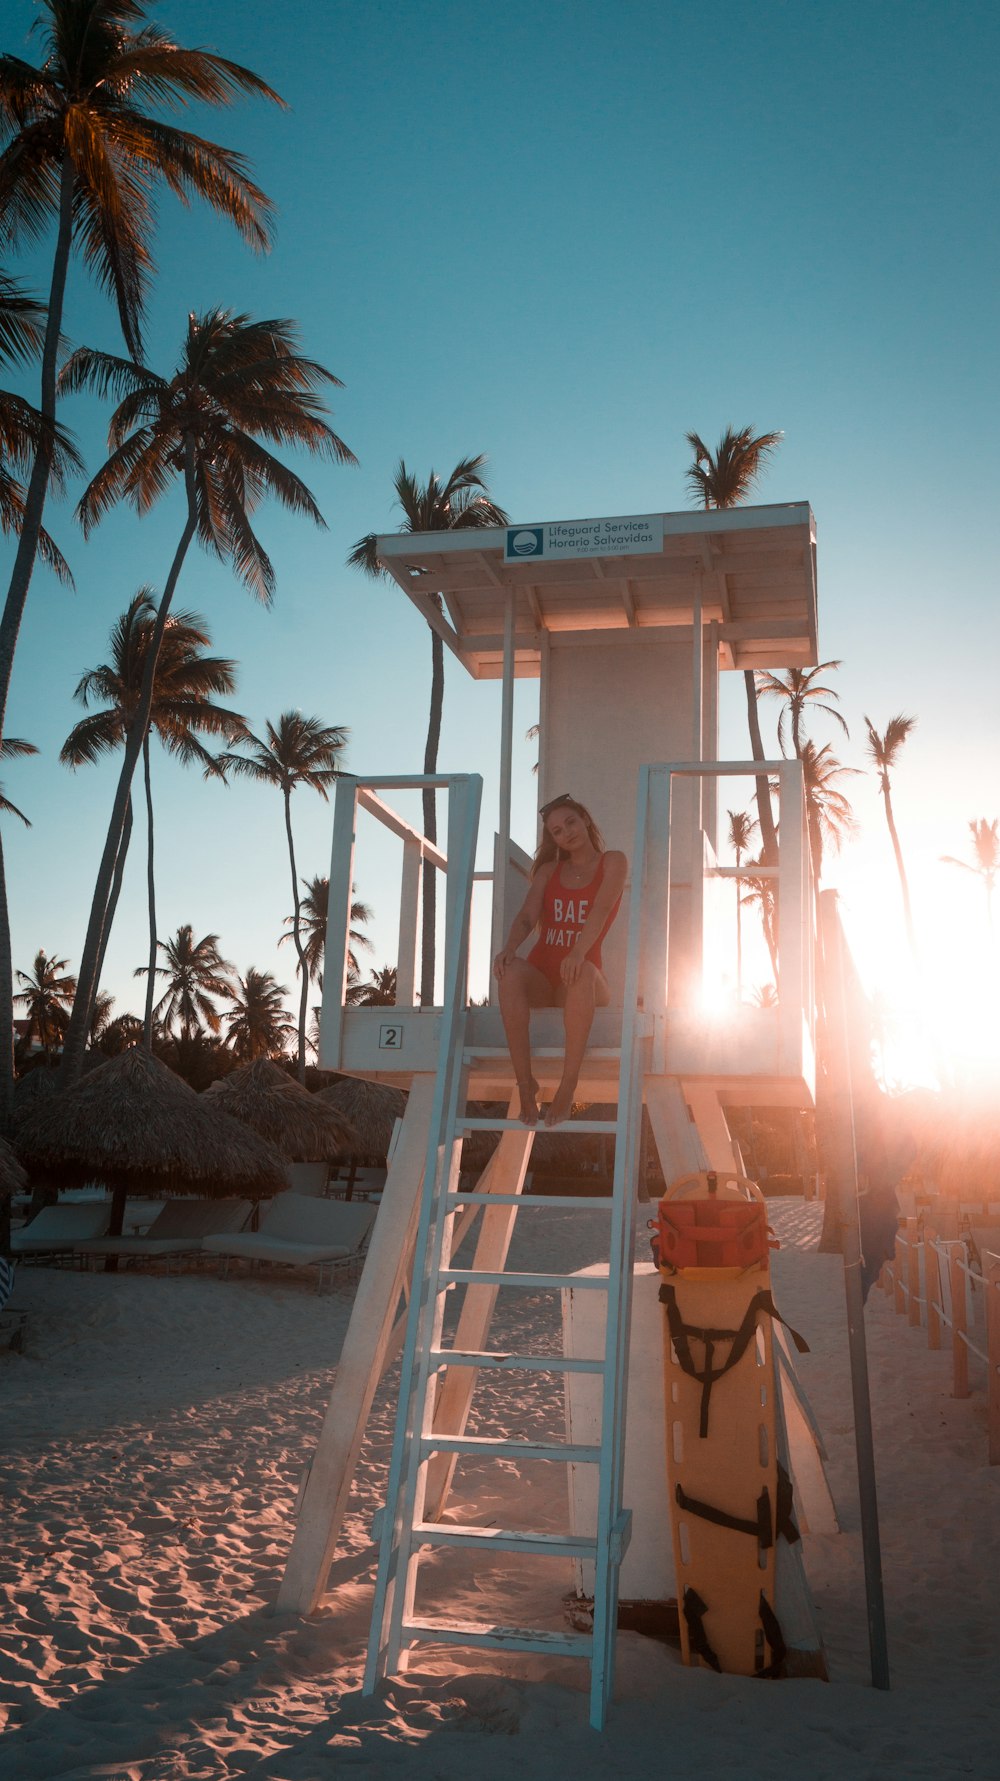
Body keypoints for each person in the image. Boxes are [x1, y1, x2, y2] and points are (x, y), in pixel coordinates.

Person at [492, 793, 627, 1127]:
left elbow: (602, 908)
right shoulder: (549, 871)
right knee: (509, 972)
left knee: (582, 973)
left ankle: (568, 1086)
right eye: (557, 831)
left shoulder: (613, 861)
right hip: (543, 976)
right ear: (553, 839)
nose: (567, 832)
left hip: (583, 978)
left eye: (570, 822)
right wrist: (509, 947)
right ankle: (526, 1084)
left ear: (585, 820)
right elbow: (527, 916)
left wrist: (578, 952)